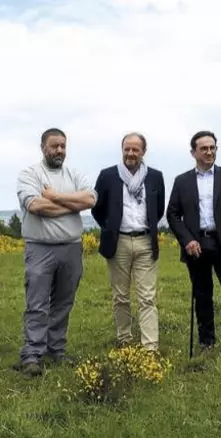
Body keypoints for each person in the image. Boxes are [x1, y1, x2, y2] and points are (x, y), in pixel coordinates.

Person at [14, 128, 97, 376]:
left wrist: (56, 197)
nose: (59, 150)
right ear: (43, 147)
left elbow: (91, 200)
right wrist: (73, 205)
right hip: (40, 248)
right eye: (54, 146)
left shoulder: (74, 173)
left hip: (71, 248)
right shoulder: (30, 174)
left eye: (63, 145)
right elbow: (36, 206)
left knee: (63, 302)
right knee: (37, 304)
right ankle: (32, 354)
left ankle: (56, 349)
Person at [166, 130, 221, 358]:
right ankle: (206, 343)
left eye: (213, 148)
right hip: (197, 247)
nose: (210, 152)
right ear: (193, 152)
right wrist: (187, 240)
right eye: (204, 148)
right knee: (202, 296)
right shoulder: (182, 181)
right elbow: (172, 214)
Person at [91, 132, 165, 351]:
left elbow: (158, 209)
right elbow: (97, 208)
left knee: (147, 297)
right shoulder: (108, 176)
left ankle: (150, 346)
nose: (131, 153)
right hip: (118, 242)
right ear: (122, 149)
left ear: (143, 151)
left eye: (135, 149)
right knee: (121, 296)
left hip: (145, 242)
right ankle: (124, 340)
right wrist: (110, 226)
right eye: (127, 149)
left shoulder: (155, 176)